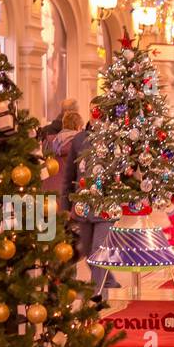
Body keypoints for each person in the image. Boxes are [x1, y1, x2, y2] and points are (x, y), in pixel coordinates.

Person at [62, 118, 119, 291]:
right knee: (87, 250)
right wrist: (65, 205)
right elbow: (69, 174)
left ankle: (96, 294)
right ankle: (109, 281)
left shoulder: (114, 138)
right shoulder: (79, 139)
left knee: (98, 250)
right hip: (83, 207)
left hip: (106, 206)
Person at [43, 99, 83, 210]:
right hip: (67, 194)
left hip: (48, 192)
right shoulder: (79, 145)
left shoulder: (49, 142)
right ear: (78, 127)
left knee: (51, 225)